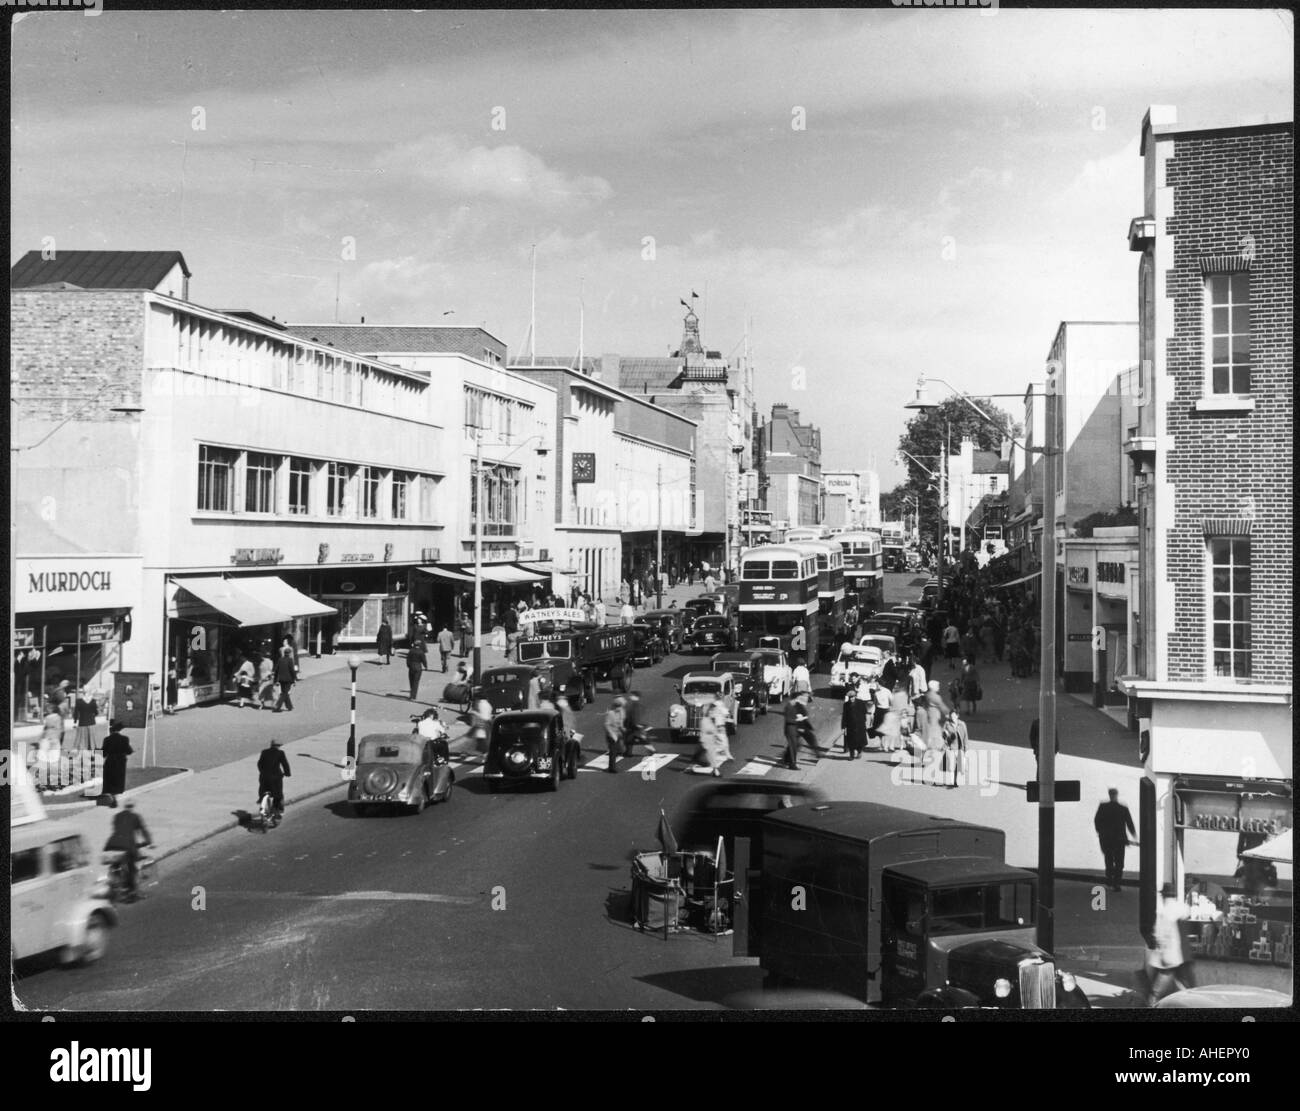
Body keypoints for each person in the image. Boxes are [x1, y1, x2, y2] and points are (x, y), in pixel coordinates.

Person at [1148, 883, 1196, 1005]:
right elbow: (1187, 912)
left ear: (1163, 896)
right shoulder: (1180, 907)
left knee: (1157, 989)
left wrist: (1160, 952)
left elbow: (1159, 935)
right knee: (1186, 985)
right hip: (1182, 954)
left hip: (1169, 956)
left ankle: (1151, 1005)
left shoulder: (1164, 911)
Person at [103, 801, 152, 901]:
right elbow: (143, 830)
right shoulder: (135, 817)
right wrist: (148, 841)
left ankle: (116, 881)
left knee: (117, 863)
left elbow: (119, 830)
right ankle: (133, 892)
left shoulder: (117, 816)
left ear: (124, 807)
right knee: (132, 868)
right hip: (127, 845)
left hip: (112, 843)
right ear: (132, 807)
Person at [1094, 787, 1136, 892]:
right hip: (1119, 839)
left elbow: (1097, 820)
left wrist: (1100, 832)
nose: (1113, 796)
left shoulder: (1103, 807)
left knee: (1110, 860)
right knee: (1119, 862)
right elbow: (1129, 822)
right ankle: (1116, 883)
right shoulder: (1123, 808)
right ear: (1116, 795)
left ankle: (1110, 879)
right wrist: (1133, 834)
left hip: (1107, 839)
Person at [256, 738, 292, 819]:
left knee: (263, 788)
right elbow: (285, 764)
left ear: (271, 745)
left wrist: (262, 772)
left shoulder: (264, 752)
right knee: (278, 794)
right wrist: (287, 773)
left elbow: (259, 763)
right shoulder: (280, 753)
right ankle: (277, 811)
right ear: (279, 746)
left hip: (264, 776)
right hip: (275, 777)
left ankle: (261, 799)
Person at [100, 721, 133, 799]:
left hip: (110, 760)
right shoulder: (125, 738)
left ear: (111, 730)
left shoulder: (107, 739)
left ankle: (110, 793)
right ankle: (117, 793)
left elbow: (104, 753)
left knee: (109, 777)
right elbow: (129, 751)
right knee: (119, 777)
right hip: (121, 761)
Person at [622, 690, 655, 757]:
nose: (630, 696)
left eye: (632, 695)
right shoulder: (636, 705)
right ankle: (628, 753)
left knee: (640, 739)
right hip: (634, 725)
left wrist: (637, 724)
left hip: (635, 726)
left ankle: (653, 751)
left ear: (636, 697)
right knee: (629, 739)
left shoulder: (635, 706)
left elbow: (635, 716)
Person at [943, 709, 969, 789]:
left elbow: (965, 737)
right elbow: (943, 735)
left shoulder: (962, 724)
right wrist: (947, 736)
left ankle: (956, 780)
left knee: (959, 767)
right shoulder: (947, 724)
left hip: (960, 748)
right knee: (951, 766)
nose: (952, 717)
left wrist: (966, 747)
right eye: (951, 716)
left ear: (957, 716)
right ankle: (952, 782)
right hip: (951, 748)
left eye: (954, 715)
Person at [843, 681, 869, 760]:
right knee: (851, 741)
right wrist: (844, 726)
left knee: (860, 740)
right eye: (850, 697)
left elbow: (865, 712)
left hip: (860, 724)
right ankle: (851, 755)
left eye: (853, 697)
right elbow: (845, 716)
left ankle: (859, 751)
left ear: (855, 696)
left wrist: (866, 722)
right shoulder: (846, 705)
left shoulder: (861, 702)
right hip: (850, 725)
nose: (852, 699)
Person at [782, 691, 806, 770]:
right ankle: (792, 764)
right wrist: (797, 719)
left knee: (793, 746)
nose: (799, 700)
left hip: (794, 729)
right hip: (790, 729)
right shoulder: (788, 706)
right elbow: (788, 719)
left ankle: (787, 759)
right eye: (798, 698)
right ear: (794, 698)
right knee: (793, 747)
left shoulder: (794, 705)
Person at [271, 646, 298, 712]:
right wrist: (294, 678)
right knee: (285, 693)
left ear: (284, 653)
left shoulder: (280, 659)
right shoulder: (290, 660)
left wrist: (275, 680)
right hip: (288, 679)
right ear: (289, 653)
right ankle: (277, 706)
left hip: (281, 679)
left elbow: (276, 670)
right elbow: (292, 670)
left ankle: (289, 706)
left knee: (284, 692)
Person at [604, 697, 626, 773]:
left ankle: (612, 766)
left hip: (617, 734)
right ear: (615, 707)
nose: (620, 709)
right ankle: (612, 768)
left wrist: (622, 728)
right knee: (613, 752)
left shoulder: (620, 712)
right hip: (611, 735)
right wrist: (612, 735)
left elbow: (620, 722)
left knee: (618, 750)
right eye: (619, 708)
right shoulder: (610, 713)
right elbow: (607, 725)